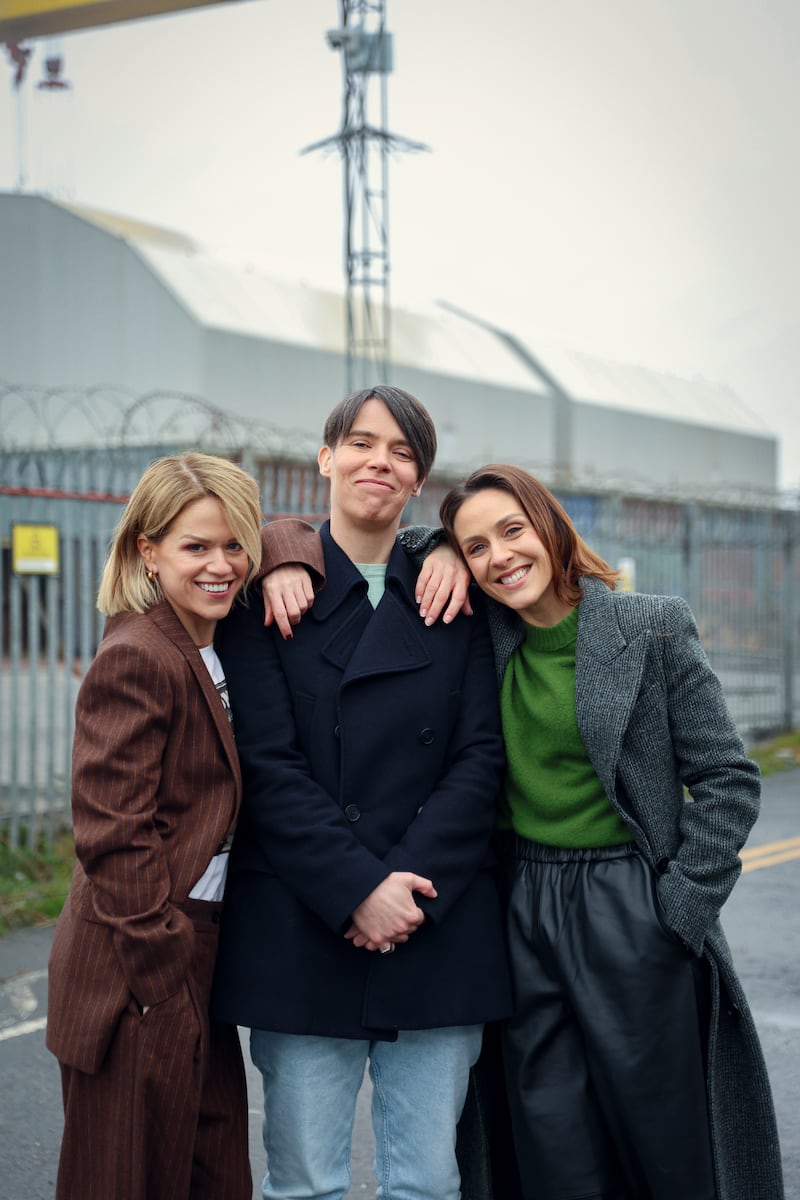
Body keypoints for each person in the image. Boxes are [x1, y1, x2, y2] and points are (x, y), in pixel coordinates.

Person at [430, 462, 784, 1200]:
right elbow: (386, 541)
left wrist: (678, 912)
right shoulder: (484, 636)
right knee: (550, 1137)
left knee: (659, 1142)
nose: (499, 557)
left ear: (550, 527)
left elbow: (727, 779)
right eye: (474, 548)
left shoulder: (648, 625)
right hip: (521, 905)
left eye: (512, 531)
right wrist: (433, 550)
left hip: (629, 901)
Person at [211, 385, 512, 1200]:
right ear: (326, 458)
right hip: (304, 923)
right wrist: (355, 890)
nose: (380, 461)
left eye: (403, 452)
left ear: (419, 483)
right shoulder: (266, 595)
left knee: (426, 1184)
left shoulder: (459, 593)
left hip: (433, 914)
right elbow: (267, 765)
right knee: (304, 1182)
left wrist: (399, 891)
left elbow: (480, 758)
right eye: (362, 443)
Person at [46, 452, 266, 1200]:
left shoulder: (221, 638)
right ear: (149, 550)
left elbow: (305, 535)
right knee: (126, 1177)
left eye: (235, 544)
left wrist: (287, 553)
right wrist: (164, 970)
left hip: (202, 948)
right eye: (195, 546)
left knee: (210, 1172)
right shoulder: (139, 654)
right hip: (138, 958)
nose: (221, 564)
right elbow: (112, 830)